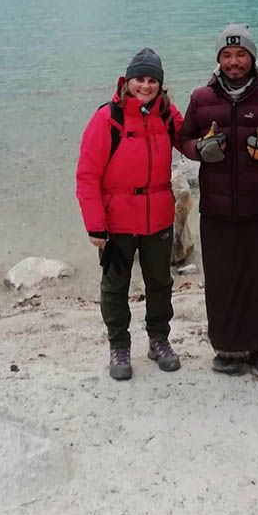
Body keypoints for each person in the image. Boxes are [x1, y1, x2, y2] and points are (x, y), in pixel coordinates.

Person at [180, 24, 258, 378]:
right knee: (222, 279)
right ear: (218, 59)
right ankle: (228, 348)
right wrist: (199, 150)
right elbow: (183, 137)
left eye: (241, 55)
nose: (234, 62)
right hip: (216, 209)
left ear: (252, 57)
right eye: (227, 55)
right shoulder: (201, 98)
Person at [75, 48, 183, 381]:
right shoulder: (108, 118)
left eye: (153, 80)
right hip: (118, 222)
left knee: (161, 282)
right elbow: (87, 175)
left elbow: (193, 140)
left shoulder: (166, 115)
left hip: (158, 218)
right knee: (114, 287)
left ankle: (159, 339)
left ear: (161, 85)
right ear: (127, 81)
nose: (146, 86)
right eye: (140, 79)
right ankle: (119, 345)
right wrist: (95, 226)